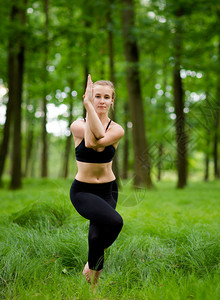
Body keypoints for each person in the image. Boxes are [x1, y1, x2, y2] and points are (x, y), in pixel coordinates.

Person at [69, 74, 125, 287]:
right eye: (97, 96)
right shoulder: (77, 125)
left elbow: (97, 139)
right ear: (89, 98)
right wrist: (89, 109)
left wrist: (89, 107)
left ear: (112, 101)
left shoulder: (117, 129)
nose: (101, 100)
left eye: (106, 97)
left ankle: (92, 287)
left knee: (95, 239)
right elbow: (92, 142)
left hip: (108, 190)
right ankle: (92, 268)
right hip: (83, 191)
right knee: (115, 222)